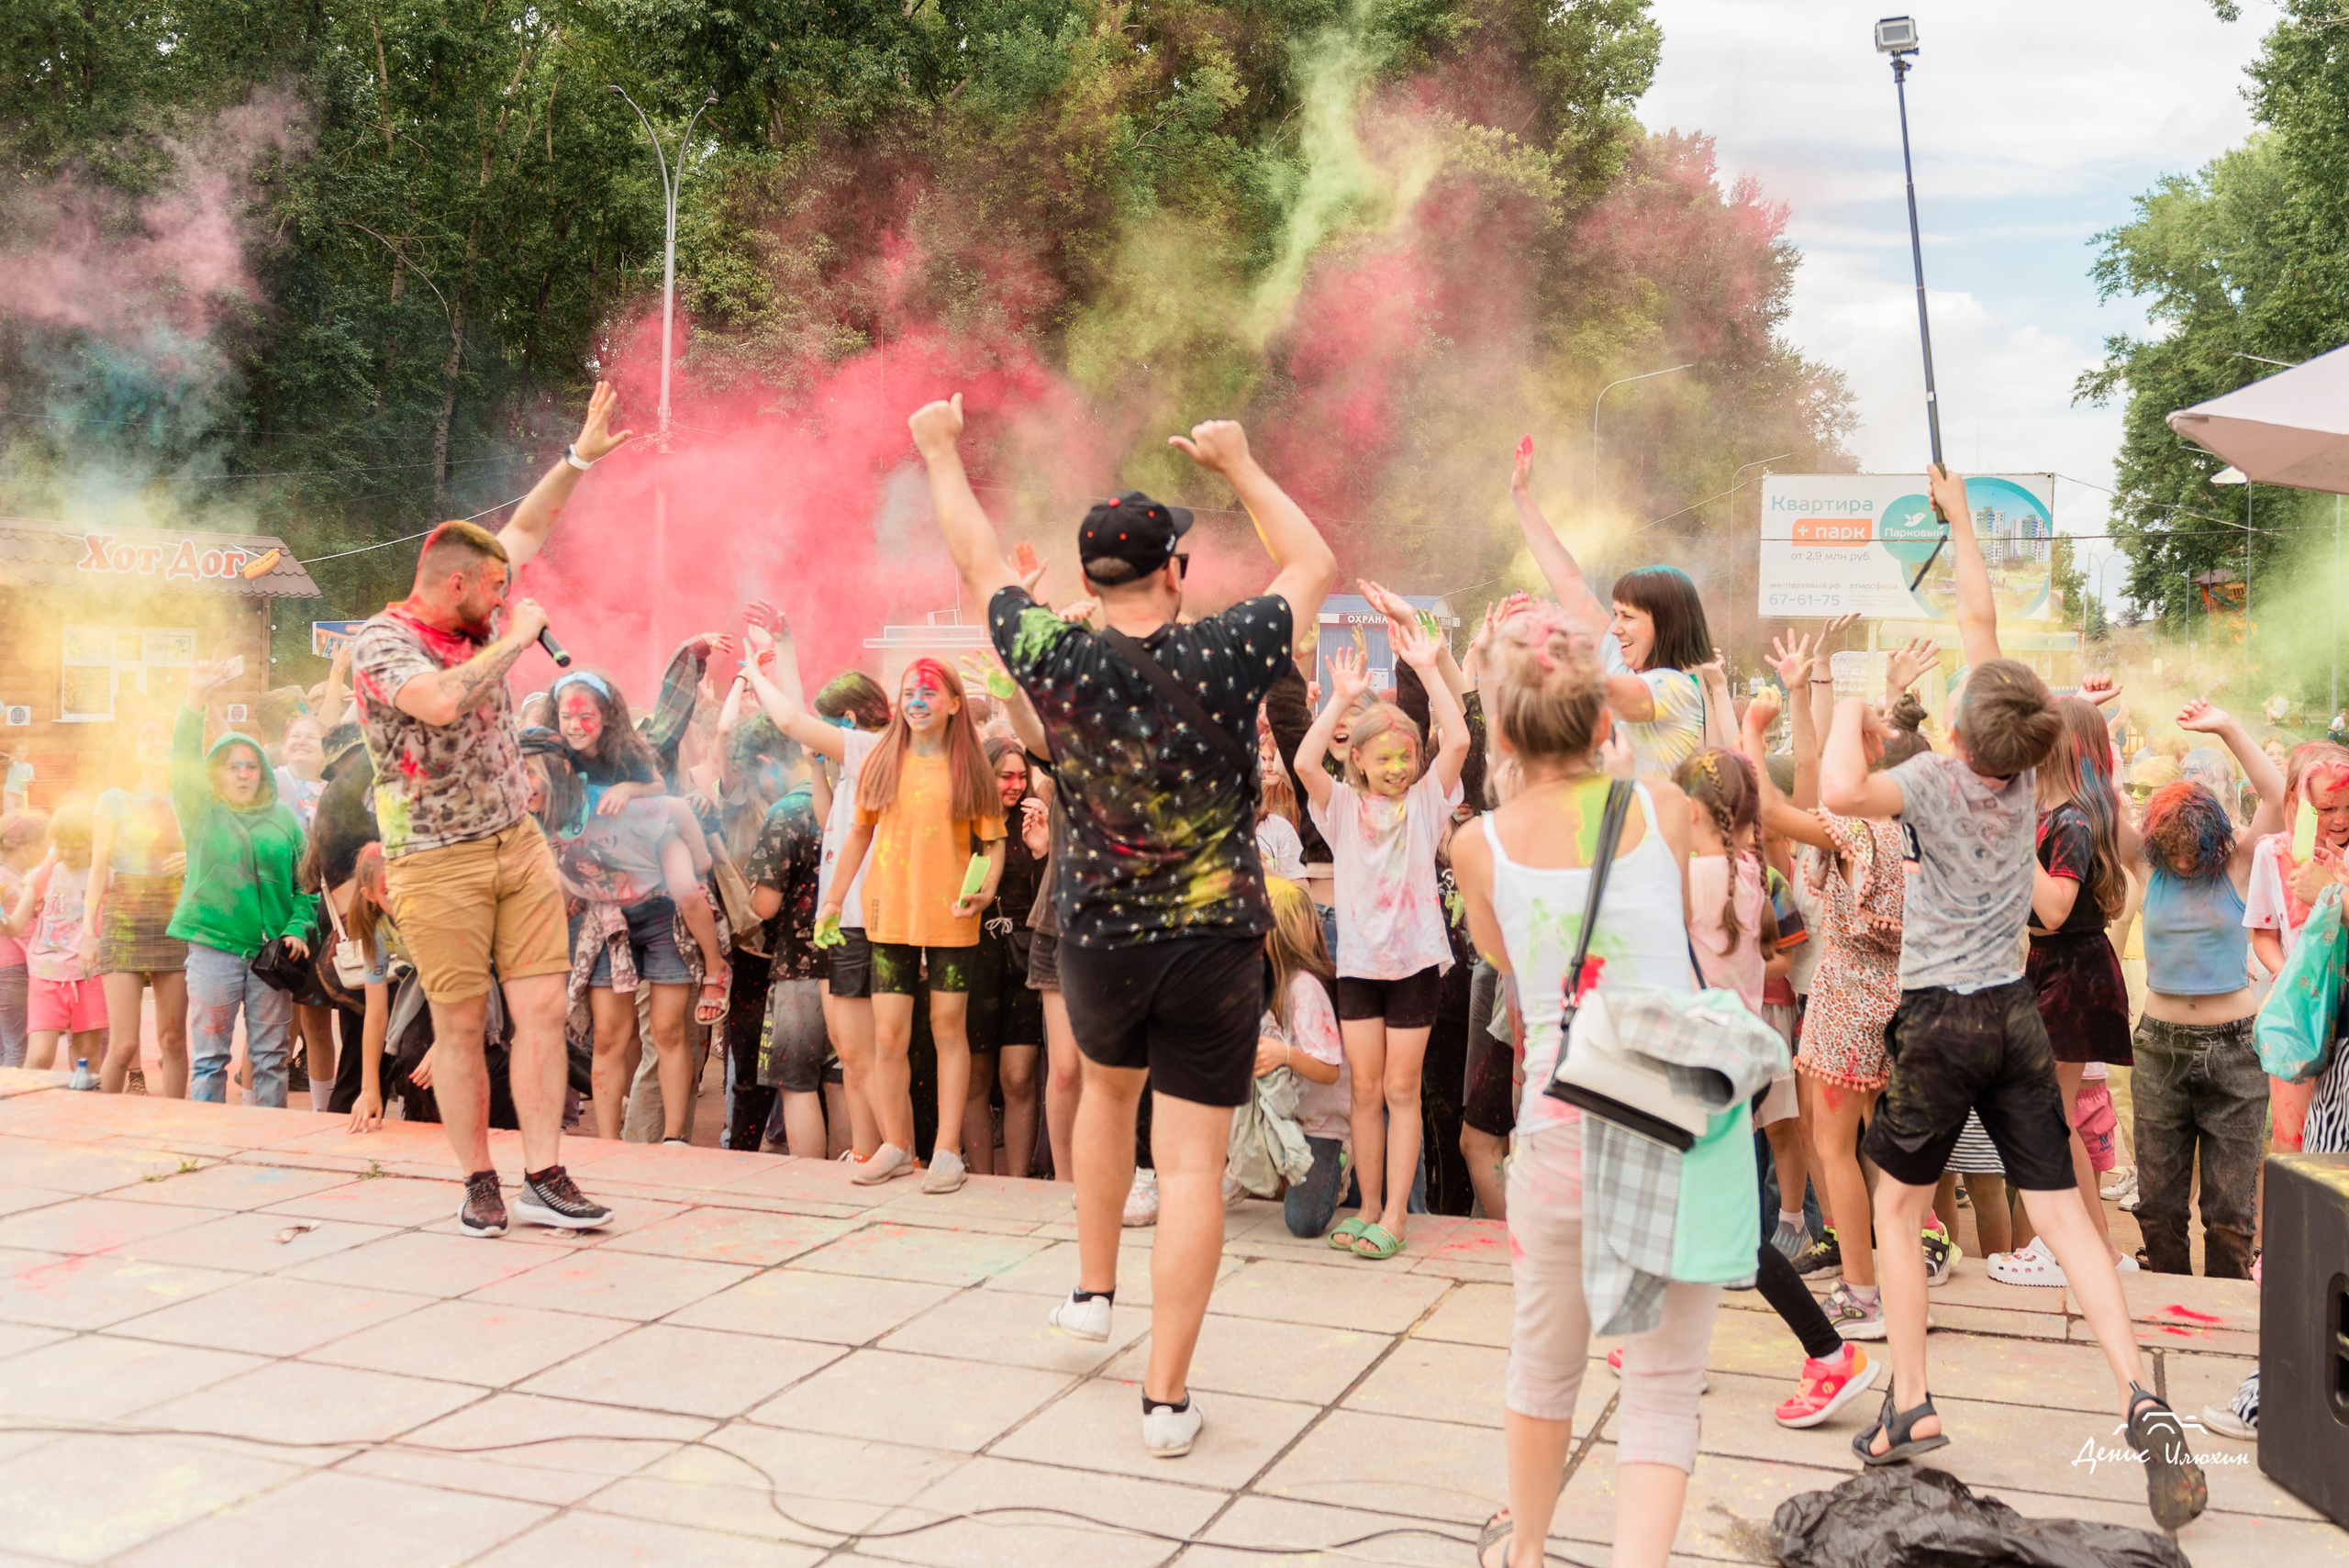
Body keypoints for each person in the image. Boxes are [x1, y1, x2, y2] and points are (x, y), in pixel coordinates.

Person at [919, 389, 1335, 1459]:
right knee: (1191, 1166)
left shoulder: (1054, 651)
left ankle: (1092, 1290)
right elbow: (1313, 563)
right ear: (1174, 570)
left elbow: (976, 560)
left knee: (1104, 1095)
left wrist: (938, 449)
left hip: (1099, 933)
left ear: (1093, 578)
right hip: (1214, 941)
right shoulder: (1231, 647)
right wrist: (1241, 465)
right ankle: (1164, 1399)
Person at [1820, 463, 2206, 1529]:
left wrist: (1853, 696)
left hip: (1940, 1021)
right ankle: (2140, 1397)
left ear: (1957, 728)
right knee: (2068, 1221)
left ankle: (1910, 1401)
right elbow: (1982, 621)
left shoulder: (1938, 782)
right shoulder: (2038, 776)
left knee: (1896, 1207)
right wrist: (1960, 522)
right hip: (2015, 1016)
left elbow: (1838, 792)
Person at [1451, 603, 1714, 1568]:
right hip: (1675, 1119)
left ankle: (1524, 1549)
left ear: (1505, 730)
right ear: (1607, 722)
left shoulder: (1478, 844)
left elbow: (1498, 954)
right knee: (1662, 1382)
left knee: (1544, 1358)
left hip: (1561, 1126)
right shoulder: (1663, 809)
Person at [348, 382, 630, 1238]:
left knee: (544, 1010)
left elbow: (529, 527)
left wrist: (578, 456)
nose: (508, 596)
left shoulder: (477, 601)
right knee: (463, 1024)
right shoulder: (383, 640)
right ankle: (479, 1179)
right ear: (457, 584)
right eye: (496, 588)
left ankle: (546, 1169)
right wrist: (514, 640)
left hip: (516, 843)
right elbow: (436, 703)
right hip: (436, 859)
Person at [1294, 616, 1469, 1262]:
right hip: (1361, 964)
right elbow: (1305, 760)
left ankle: (1397, 1211)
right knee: (1363, 1090)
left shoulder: (1426, 803)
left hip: (1416, 963)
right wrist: (1339, 698)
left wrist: (1427, 666)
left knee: (1401, 1089)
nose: (1398, 768)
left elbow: (1458, 740)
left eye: (1406, 757)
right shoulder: (1341, 806)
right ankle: (1367, 1206)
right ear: (1358, 761)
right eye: (1385, 758)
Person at [1745, 633, 1906, 1331]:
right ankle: (1892, 1275)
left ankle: (1862, 1290)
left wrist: (1754, 733)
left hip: (1846, 1001)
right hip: (1899, 996)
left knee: (1835, 1149)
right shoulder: (1907, 828)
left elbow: (1773, 810)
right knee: (1888, 1152)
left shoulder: (1857, 834)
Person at [817, 659, 1007, 1193]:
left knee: (949, 1031)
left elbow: (993, 842)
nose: (917, 701)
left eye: (928, 692)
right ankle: (897, 1145)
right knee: (888, 1037)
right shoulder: (883, 762)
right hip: (887, 918)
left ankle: (947, 1151)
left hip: (951, 919)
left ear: (953, 704)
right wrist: (833, 903)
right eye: (908, 692)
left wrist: (985, 891)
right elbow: (858, 835)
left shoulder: (970, 769)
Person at [2111, 701, 2284, 1278]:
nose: (2185, 864)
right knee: (2157, 1209)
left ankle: (2228, 1322)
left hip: (2236, 1050)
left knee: (2231, 1213)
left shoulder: (2236, 866)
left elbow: (2278, 798)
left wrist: (2230, 726)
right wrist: (2091, 726)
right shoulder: (2148, 866)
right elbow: (2101, 799)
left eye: (2195, 853)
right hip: (2159, 1047)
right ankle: (2167, 1308)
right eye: (2175, 852)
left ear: (2214, 838)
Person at [741, 623, 892, 1169]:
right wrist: (814, 764)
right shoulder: (852, 760)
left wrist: (757, 673)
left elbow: (789, 718)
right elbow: (832, 824)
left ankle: (890, 1149)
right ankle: (866, 1150)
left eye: (830, 725)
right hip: (842, 921)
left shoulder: (873, 747)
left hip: (862, 920)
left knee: (862, 1055)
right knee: (850, 1057)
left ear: (848, 722)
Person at [1507, 438, 1720, 774]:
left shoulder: (1679, 688)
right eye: (1615, 613)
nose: (1615, 627)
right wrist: (1521, 496)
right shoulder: (1617, 662)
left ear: (1665, 623)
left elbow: (1611, 692)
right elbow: (1567, 578)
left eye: (1628, 617)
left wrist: (1551, 642)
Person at [166, 660, 317, 1107]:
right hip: (214, 949)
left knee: (271, 1058)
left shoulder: (286, 820)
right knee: (210, 1058)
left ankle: (267, 1154)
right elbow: (182, 762)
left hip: (271, 957)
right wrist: (194, 700)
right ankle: (204, 1148)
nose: (244, 774)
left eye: (252, 766)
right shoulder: (201, 812)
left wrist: (295, 928)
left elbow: (304, 889)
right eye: (234, 767)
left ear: (263, 772)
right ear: (217, 773)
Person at [86, 717, 188, 1096]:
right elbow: (98, 870)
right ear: (132, 748)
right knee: (124, 1044)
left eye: (164, 735)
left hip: (175, 914)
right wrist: (86, 933)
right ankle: (107, 1135)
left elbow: (208, 851)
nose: (157, 740)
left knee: (173, 1038)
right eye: (148, 733)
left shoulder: (187, 798)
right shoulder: (112, 799)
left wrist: (191, 857)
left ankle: (177, 1138)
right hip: (124, 917)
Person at [743, 732, 829, 1157]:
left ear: (767, 761)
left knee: (796, 1083)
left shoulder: (788, 812)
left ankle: (810, 1182)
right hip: (853, 961)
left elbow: (765, 904)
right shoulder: (847, 802)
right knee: (845, 1081)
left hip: (799, 967)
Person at [1254, 875, 1350, 1237]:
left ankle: (1340, 1161)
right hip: (1287, 1116)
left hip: (1324, 1124)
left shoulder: (1304, 988)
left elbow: (1328, 1071)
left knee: (1303, 1222)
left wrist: (1284, 1055)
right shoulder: (1269, 982)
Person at [970, 736, 1048, 1176]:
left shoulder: (1032, 817)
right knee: (975, 1078)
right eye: (1006, 776)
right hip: (972, 954)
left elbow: (1046, 898)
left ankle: (1018, 1180)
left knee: (1018, 1077)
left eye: (1022, 776)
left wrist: (1041, 851)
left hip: (1022, 957)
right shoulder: (965, 821)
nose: (1017, 785)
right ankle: (980, 1175)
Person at [14, 800, 105, 1072]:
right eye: (61, 844)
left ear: (92, 842)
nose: (68, 852)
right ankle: (25, 1110)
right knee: (40, 1056)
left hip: (89, 973)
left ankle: (85, 1111)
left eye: (76, 845)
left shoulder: (104, 876)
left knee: (86, 1061)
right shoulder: (42, 875)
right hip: (46, 972)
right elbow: (14, 925)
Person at [0, 812, 43, 1069]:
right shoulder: (10, 879)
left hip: (7, 968)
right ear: (27, 847)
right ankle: (14, 1106)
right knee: (18, 1048)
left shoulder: (13, 876)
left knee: (6, 1047)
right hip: (14, 967)